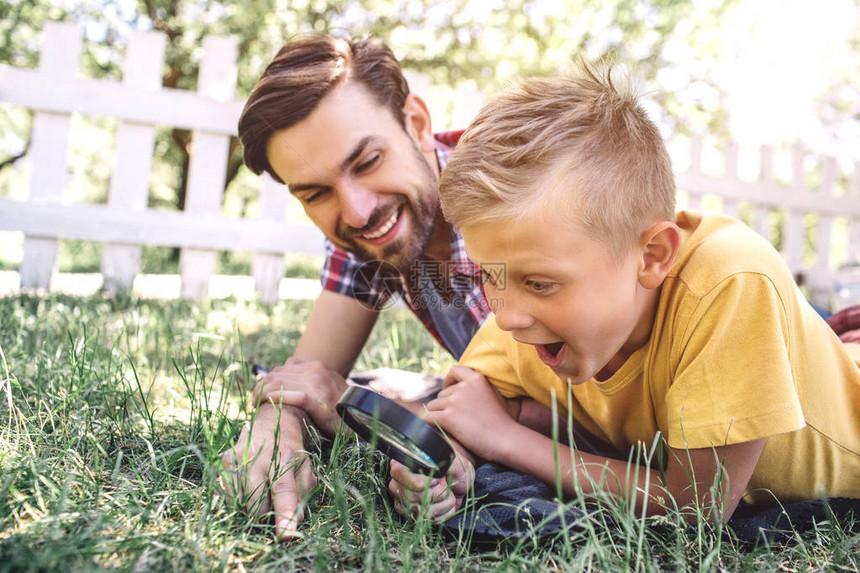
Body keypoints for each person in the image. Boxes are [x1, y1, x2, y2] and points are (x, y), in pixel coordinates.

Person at [388, 63, 860, 523]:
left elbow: (698, 505)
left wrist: (505, 437)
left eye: (539, 283)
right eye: (491, 275)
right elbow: (458, 414)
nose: (506, 316)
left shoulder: (729, 281)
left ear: (652, 256)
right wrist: (441, 466)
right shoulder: (524, 315)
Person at [222, 33, 493, 538]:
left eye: (367, 162)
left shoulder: (511, 197)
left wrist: (353, 403)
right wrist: (274, 423)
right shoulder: (365, 230)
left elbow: (574, 406)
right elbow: (311, 373)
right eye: (316, 192)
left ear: (416, 124)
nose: (358, 210)